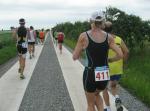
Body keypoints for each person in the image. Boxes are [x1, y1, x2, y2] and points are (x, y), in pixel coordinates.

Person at [73, 11, 123, 111]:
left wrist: (83, 49)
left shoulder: (84, 36)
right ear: (102, 21)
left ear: (91, 21)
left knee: (90, 104)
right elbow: (120, 54)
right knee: (96, 95)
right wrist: (110, 60)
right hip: (104, 72)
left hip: (90, 72)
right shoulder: (109, 37)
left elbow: (75, 56)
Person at [102, 21, 129, 111]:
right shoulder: (118, 39)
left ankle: (108, 108)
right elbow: (126, 52)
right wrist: (123, 63)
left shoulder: (102, 39)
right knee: (113, 86)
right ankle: (117, 98)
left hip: (105, 67)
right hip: (117, 68)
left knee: (104, 88)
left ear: (103, 28)